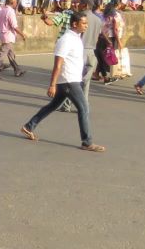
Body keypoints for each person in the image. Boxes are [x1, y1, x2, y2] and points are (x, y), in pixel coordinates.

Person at [21, 12, 105, 152]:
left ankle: (29, 126)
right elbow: (58, 64)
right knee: (84, 108)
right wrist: (52, 84)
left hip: (71, 79)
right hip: (68, 80)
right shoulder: (66, 40)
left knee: (53, 105)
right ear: (74, 24)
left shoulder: (76, 38)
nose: (86, 26)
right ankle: (87, 142)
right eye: (83, 23)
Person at [0, 0, 26, 77]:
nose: (16, 4)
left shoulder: (1, 10)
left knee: (10, 54)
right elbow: (14, 26)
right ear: (12, 2)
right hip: (8, 35)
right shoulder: (10, 11)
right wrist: (22, 34)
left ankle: (17, 69)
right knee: (1, 55)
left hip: (3, 34)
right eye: (15, 2)